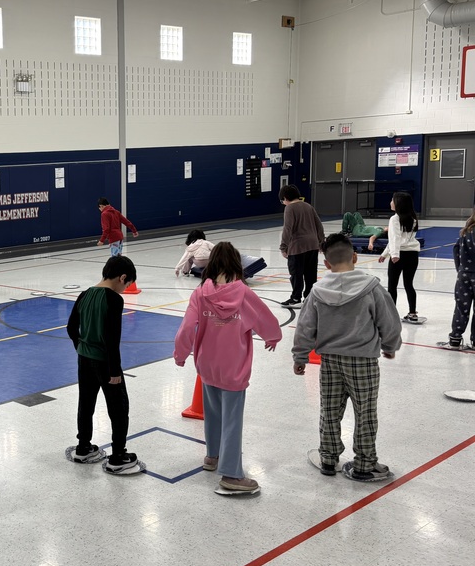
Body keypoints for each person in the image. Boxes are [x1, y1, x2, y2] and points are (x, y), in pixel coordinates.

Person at [291, 233, 402, 482]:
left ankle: (329, 459)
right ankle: (364, 464)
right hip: (363, 361)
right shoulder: (372, 287)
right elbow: (389, 321)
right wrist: (390, 345)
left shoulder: (317, 292)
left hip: (330, 361)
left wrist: (300, 357)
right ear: (354, 257)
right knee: (365, 412)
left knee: (329, 411)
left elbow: (305, 328)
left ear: (326, 263)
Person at [174, 242, 281, 494]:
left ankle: (212, 456)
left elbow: (187, 327)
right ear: (237, 263)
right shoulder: (242, 292)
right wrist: (272, 336)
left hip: (207, 364)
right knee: (232, 419)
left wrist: (180, 354)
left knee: (212, 412)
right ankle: (232, 475)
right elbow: (264, 316)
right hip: (234, 365)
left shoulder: (200, 293)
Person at [65, 255, 146, 475]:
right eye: (127, 285)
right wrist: (114, 371)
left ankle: (83, 447)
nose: (124, 290)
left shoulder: (84, 294)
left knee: (86, 402)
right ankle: (118, 456)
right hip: (105, 362)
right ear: (122, 278)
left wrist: (81, 348)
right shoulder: (114, 300)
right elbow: (112, 338)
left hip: (84, 359)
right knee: (118, 408)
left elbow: (71, 328)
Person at [372, 191, 422, 324]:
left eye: (392, 200)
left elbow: (394, 239)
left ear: (398, 203)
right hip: (412, 255)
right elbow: (397, 239)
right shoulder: (413, 218)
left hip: (399, 255)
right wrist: (384, 254)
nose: (390, 203)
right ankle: (413, 313)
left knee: (392, 286)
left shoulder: (394, 219)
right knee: (408, 284)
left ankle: (391, 314)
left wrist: (394, 255)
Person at [278, 184, 325, 308]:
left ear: (285, 197)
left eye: (282, 200)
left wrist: (283, 246)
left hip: (297, 246)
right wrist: (321, 241)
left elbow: (288, 228)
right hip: (313, 245)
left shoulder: (289, 209)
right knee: (311, 273)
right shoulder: (308, 206)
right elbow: (319, 225)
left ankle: (295, 298)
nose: (283, 203)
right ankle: (309, 298)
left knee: (296, 273)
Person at [448, 208, 475, 349]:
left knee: (461, 307)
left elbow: (456, 250)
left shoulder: (466, 231)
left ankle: (455, 338)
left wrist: (460, 269)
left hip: (464, 274)